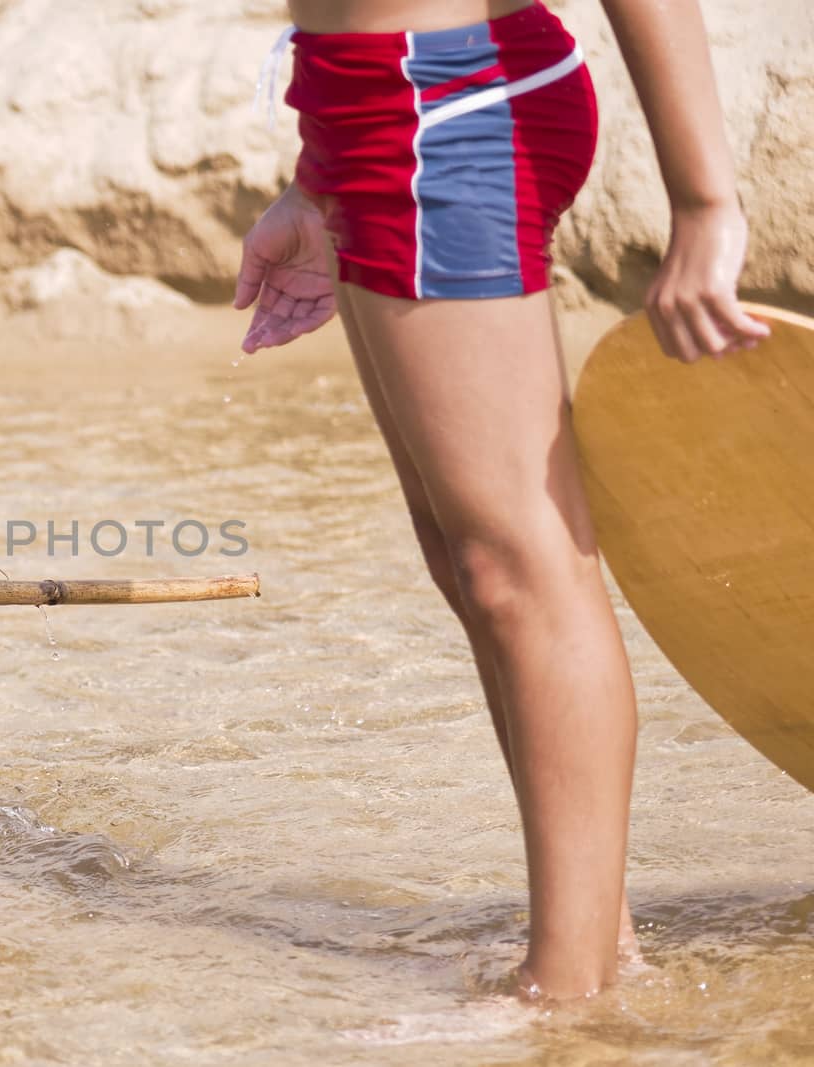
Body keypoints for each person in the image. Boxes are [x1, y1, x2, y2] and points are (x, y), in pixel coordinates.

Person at [235, 0, 767, 1000]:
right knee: (470, 561)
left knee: (521, 570)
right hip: (372, 110)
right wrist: (318, 170)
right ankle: (594, 951)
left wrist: (704, 203)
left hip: (444, 113)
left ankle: (567, 998)